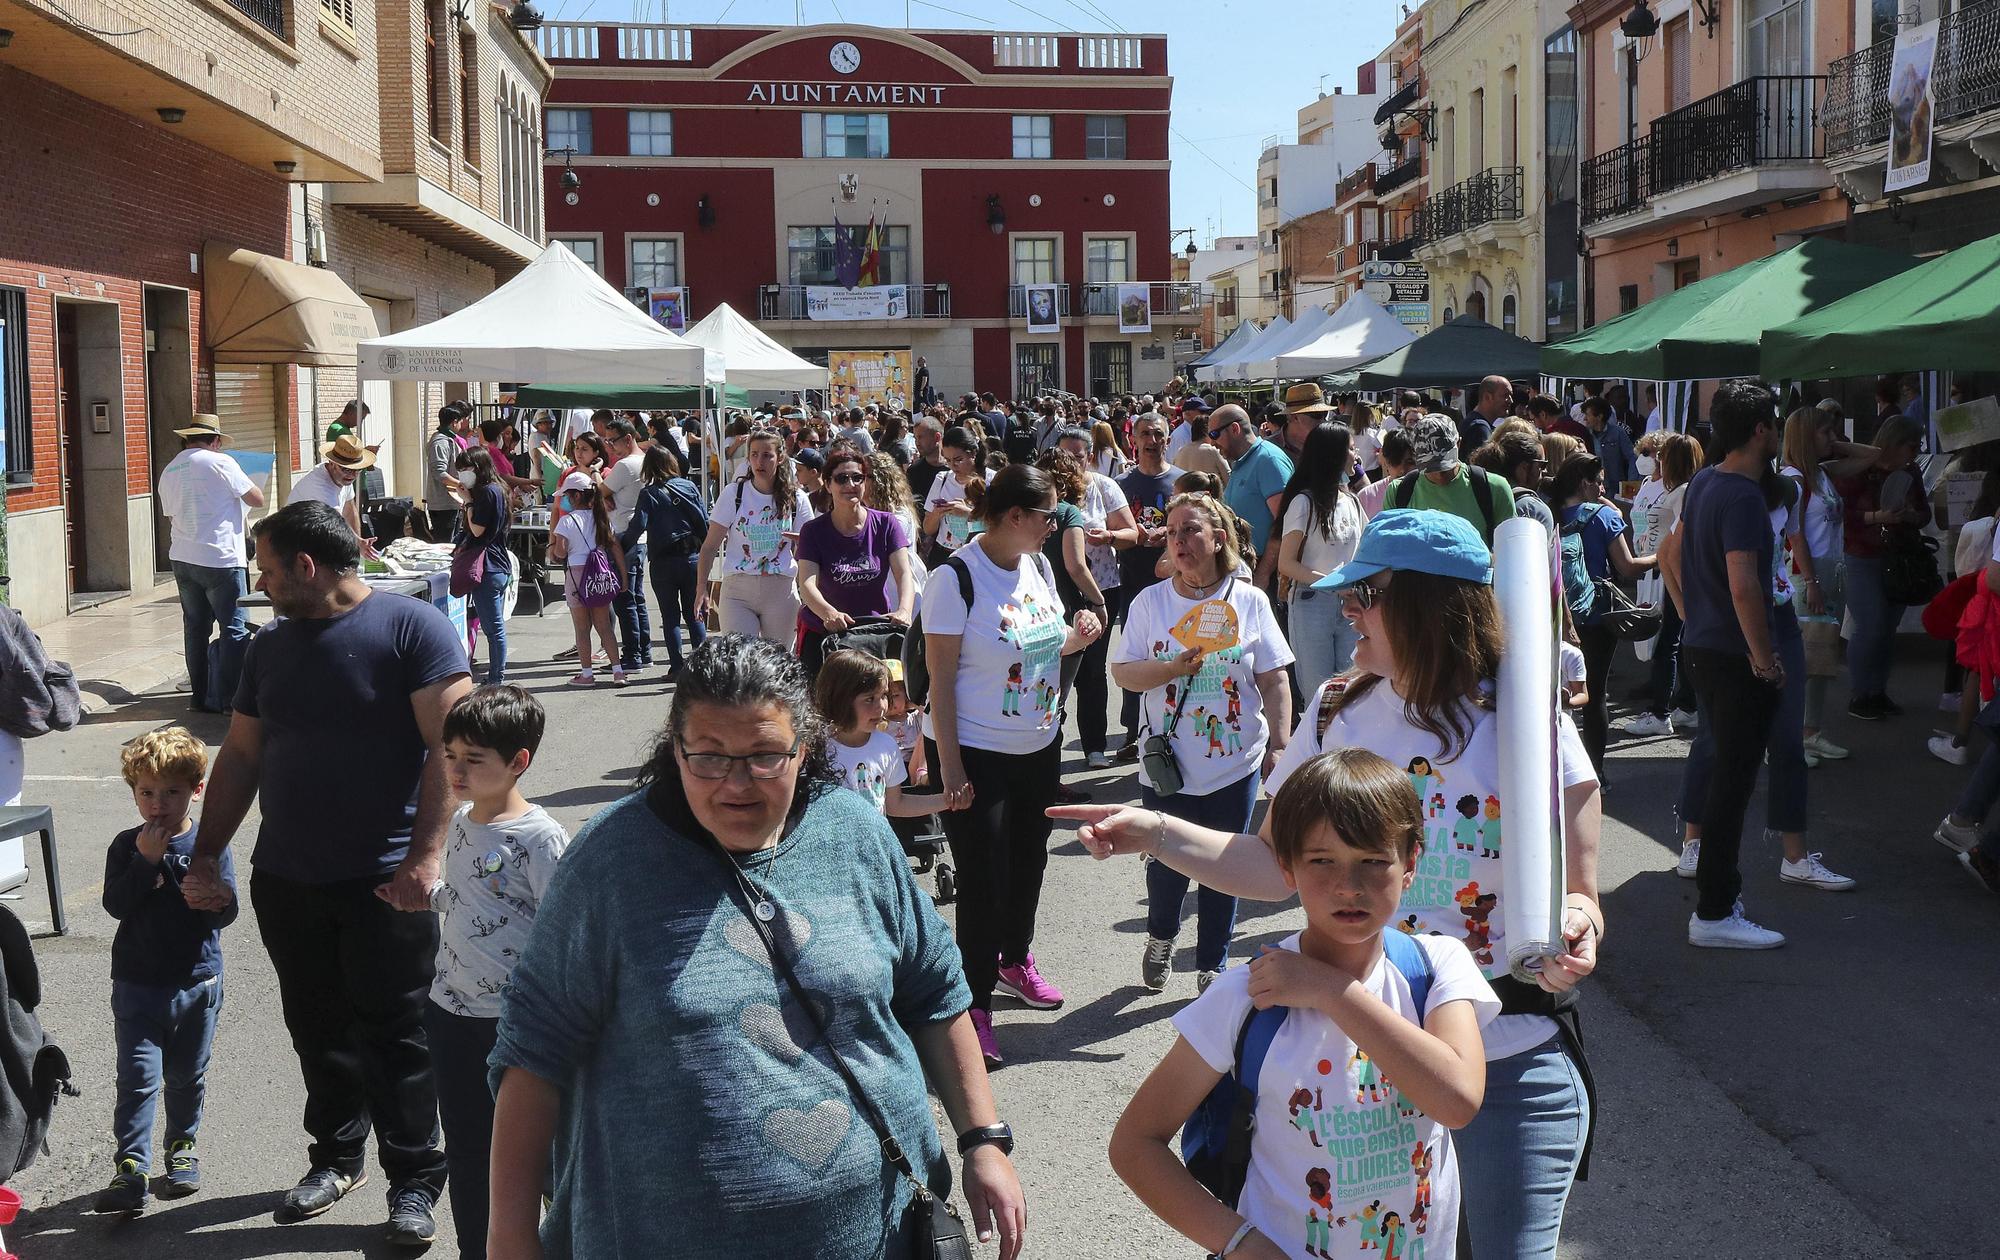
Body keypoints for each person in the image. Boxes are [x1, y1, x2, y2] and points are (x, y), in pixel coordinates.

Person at [1062, 506, 1603, 1258]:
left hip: (1511, 1058)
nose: (1345, 607)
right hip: (1355, 1066)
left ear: (1425, 603)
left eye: (1366, 594)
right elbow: (1270, 865)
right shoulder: (1336, 713)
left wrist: (1581, 912)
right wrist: (1155, 830)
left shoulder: (1520, 711)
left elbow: (1577, 844)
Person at [488, 635, 1027, 1259]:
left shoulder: (854, 832)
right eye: (709, 757)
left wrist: (981, 1139)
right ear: (676, 749)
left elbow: (933, 989)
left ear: (805, 747)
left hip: (878, 1233)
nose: (736, 783)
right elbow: (532, 1054)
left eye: (765, 755)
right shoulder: (611, 864)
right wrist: (510, 1235)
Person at [181, 501, 469, 1245]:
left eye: (269, 569)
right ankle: (337, 1158)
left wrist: (425, 860)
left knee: (396, 1033)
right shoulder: (268, 648)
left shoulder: (413, 629)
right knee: (316, 1027)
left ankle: (414, 1179)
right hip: (289, 877)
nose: (261, 582)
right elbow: (242, 755)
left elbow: (450, 749)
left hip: (386, 880)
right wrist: (206, 850)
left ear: (306, 567)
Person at [1108, 749, 1496, 1260]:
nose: (1347, 886)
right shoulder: (1245, 996)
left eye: (1373, 861)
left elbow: (1457, 1101)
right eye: (1321, 860)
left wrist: (1331, 991)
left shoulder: (1437, 966)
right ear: (1287, 867)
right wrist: (1241, 1244)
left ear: (1411, 864)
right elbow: (1135, 1144)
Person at [923, 464, 1103, 1062]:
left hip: (1038, 742)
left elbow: (1041, 644)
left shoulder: (1040, 565)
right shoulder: (954, 579)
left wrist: (1077, 633)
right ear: (1015, 517)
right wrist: (950, 767)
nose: (1058, 525)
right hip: (974, 749)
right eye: (1049, 515)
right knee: (982, 880)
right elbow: (941, 683)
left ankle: (1013, 960)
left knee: (1029, 864)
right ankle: (973, 1004)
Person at [1114, 492, 1293, 994]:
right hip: (1168, 762)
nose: (1180, 541)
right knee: (1167, 863)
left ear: (1218, 538)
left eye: (1191, 530)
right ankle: (1161, 936)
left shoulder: (1249, 600)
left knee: (1226, 868)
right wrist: (1171, 668)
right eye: (1172, 532)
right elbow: (1124, 674)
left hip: (1236, 762)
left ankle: (1212, 963)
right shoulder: (1151, 602)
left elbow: (1275, 679)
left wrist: (1281, 744)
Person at [427, 686, 568, 1260]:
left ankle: (562, 1244)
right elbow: (469, 898)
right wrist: (427, 897)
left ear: (518, 762)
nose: (457, 770)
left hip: (516, 1028)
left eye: (473, 759)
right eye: (451, 755)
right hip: (449, 1011)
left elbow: (564, 929)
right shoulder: (460, 820)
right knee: (467, 1147)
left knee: (543, 1156)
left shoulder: (540, 838)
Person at [1657, 379, 1793, 949]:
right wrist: (1764, 661)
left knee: (1724, 775)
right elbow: (1744, 588)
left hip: (1705, 649)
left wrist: (1692, 614)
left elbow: (1668, 553)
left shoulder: (1706, 481)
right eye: (1773, 423)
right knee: (1733, 782)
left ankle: (1717, 903)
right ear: (1761, 429)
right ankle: (1714, 911)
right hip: (1733, 657)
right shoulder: (1737, 493)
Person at [95, 727, 238, 1214]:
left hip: (197, 983)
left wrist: (216, 897)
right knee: (137, 1077)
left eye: (172, 792)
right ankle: (130, 1167)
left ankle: (182, 1146)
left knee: (186, 1076)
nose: (158, 804)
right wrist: (143, 862)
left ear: (196, 790)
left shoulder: (209, 843)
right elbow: (115, 904)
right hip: (137, 984)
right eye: (147, 792)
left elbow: (226, 909)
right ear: (134, 791)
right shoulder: (125, 844)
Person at [1781, 406, 1876, 760]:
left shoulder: (1819, 472)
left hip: (1831, 570)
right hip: (1810, 573)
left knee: (1820, 658)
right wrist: (1811, 579)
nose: (1832, 437)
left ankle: (1810, 731)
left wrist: (1835, 443)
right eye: (1824, 432)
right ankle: (1787, 738)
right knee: (1802, 659)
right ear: (1806, 437)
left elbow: (1874, 456)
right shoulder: (1793, 478)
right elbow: (1796, 535)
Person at [1552, 454, 1656, 776]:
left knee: (1557, 692)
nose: (1603, 486)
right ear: (1584, 482)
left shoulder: (1549, 513)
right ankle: (1594, 773)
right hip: (1598, 617)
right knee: (1595, 693)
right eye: (1598, 480)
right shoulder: (1603, 517)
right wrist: (1660, 557)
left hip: (1558, 614)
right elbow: (1626, 566)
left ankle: (1557, 770)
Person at [156, 414, 262, 714]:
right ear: (215, 440)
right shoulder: (222, 462)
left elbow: (170, 513)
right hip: (220, 558)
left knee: (195, 629)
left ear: (187, 439)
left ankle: (198, 698)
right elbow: (256, 498)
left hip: (183, 557)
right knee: (234, 628)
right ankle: (231, 700)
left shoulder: (170, 469)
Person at [1834, 416, 1929, 720]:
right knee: (1871, 623)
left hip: (1899, 555)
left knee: (1887, 628)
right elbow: (1840, 514)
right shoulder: (1859, 467)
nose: (1915, 453)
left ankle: (1877, 690)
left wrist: (1911, 516)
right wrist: (1878, 517)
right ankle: (1861, 693)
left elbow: (1925, 513)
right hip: (1861, 554)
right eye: (1911, 446)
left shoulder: (1911, 471)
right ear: (1894, 442)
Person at [1057, 426, 1138, 770]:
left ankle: (1093, 745)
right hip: (1058, 591)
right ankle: (1047, 748)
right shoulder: (1049, 490)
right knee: (1055, 668)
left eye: (1078, 456)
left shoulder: (1104, 487)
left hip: (1101, 588)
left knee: (1092, 668)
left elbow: (1131, 533)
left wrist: (1109, 536)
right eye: (1064, 456)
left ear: (1090, 457)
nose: (1071, 463)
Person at [796, 448, 916, 673]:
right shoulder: (813, 531)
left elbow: (904, 574)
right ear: (828, 484)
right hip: (825, 633)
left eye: (857, 478)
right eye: (841, 478)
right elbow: (807, 584)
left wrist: (904, 610)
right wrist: (828, 613)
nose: (850, 484)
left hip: (874, 633)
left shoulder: (886, 523)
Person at [695, 428, 815, 646]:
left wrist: (801, 540)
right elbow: (710, 546)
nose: (760, 461)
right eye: (754, 454)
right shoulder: (734, 494)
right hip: (737, 591)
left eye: (767, 455)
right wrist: (701, 589)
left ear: (779, 458)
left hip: (780, 590)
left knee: (777, 663)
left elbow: (812, 547)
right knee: (741, 661)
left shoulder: (797, 498)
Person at [1621, 433, 1702, 736]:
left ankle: (1660, 712)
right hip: (1653, 573)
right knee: (1670, 644)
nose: (1654, 460)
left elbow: (1678, 543)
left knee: (1666, 645)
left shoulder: (1683, 492)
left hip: (1669, 575)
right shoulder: (1656, 487)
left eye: (1659, 455)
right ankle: (1686, 705)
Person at [1276, 422, 1365, 686]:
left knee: (1352, 684)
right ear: (1334, 455)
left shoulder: (1351, 501)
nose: (1357, 454)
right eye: (1350, 449)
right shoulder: (1303, 502)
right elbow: (1286, 563)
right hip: (1311, 601)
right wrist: (1332, 583)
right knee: (1319, 690)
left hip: (1351, 602)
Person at [1115, 413, 1182, 759]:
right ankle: (1132, 730)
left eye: (1158, 434)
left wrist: (1167, 536)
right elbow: (1112, 532)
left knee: (1174, 655)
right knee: (1135, 657)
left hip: (1178, 586)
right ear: (1134, 441)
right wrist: (1131, 537)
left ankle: (1173, 725)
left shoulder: (1182, 482)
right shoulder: (1122, 484)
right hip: (1133, 583)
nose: (1151, 440)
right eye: (1145, 434)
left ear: (1168, 440)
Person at [620, 444, 709, 678]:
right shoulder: (689, 486)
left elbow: (637, 526)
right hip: (692, 557)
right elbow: (704, 521)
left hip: (663, 561)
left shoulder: (649, 494)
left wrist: (618, 550)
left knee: (670, 616)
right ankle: (701, 669)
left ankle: (677, 667)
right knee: (694, 613)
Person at [816, 649, 938, 819]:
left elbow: (896, 804)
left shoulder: (886, 746)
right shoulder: (817, 748)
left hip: (873, 842)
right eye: (869, 699)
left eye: (883, 696)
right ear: (840, 699)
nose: (882, 706)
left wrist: (947, 800)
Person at [1386, 414, 1518, 546]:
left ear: (1459, 444)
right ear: (1415, 453)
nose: (1439, 474)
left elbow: (1511, 550)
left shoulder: (1494, 489)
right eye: (1430, 467)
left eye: (1445, 465)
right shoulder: (1399, 492)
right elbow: (1387, 549)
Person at [550, 473, 625, 687]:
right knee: (605, 627)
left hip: (576, 575)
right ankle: (618, 672)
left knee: (582, 629)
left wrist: (552, 548)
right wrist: (623, 575)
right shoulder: (601, 518)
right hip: (599, 574)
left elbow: (561, 553)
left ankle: (586, 674)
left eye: (566, 496)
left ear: (574, 497)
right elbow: (614, 547)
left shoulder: (566, 521)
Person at [1209, 404, 1294, 593]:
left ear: (1234, 429)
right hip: (1246, 571)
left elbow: (1286, 524)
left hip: (1266, 577)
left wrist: (1263, 574)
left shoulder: (1268, 460)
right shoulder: (1243, 461)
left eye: (1214, 435)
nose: (1212, 443)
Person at [452, 447, 514, 687]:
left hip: (488, 567)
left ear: (478, 467)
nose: (463, 474)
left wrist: (467, 502)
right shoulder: (498, 489)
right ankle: (495, 675)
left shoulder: (487, 493)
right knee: (494, 626)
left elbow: (478, 529)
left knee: (493, 628)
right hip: (497, 564)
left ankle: (496, 678)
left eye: (465, 469)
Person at [598, 418, 654, 675]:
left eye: (613, 441)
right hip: (638, 536)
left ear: (628, 438)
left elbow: (599, 492)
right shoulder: (644, 462)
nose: (610, 447)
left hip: (624, 537)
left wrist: (600, 483)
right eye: (607, 441)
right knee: (636, 598)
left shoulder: (626, 465)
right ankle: (643, 652)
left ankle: (632, 655)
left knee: (624, 599)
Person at [922, 425, 986, 558]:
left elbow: (1000, 526)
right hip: (942, 553)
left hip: (976, 555)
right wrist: (937, 513)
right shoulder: (942, 478)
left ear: (973, 453)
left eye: (958, 460)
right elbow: (927, 528)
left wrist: (968, 513)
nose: (952, 465)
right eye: (947, 460)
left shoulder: (991, 479)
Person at [424, 404, 471, 541]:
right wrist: (461, 485)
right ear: (454, 422)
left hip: (453, 500)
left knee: (452, 543)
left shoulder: (449, 439)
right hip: (442, 504)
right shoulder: (440, 442)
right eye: (460, 422)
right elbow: (440, 473)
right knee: (444, 544)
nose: (462, 425)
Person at [1578, 396, 1639, 498]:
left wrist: (1631, 482)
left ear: (1599, 416)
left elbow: (1632, 456)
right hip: (1592, 488)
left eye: (1587, 415)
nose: (1585, 419)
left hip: (1615, 488)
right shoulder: (1584, 435)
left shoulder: (1617, 433)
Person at [1357, 429, 1413, 520]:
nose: (1402, 470)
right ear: (1385, 461)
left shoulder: (1427, 493)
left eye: (1410, 462)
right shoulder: (1366, 497)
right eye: (1395, 461)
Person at [1462, 374, 1513, 449]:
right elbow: (1483, 460)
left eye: (1511, 395)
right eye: (1505, 395)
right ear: (1487, 397)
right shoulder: (1479, 428)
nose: (1511, 401)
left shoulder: (1475, 423)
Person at [906, 415, 950, 502]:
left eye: (920, 437)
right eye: (915, 438)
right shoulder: (914, 471)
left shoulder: (954, 470)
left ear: (937, 437)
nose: (917, 443)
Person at [1166, 395, 1210, 463]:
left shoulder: (1194, 431)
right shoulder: (1181, 436)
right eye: (1202, 411)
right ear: (1188, 413)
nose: (1205, 415)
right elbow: (1176, 463)